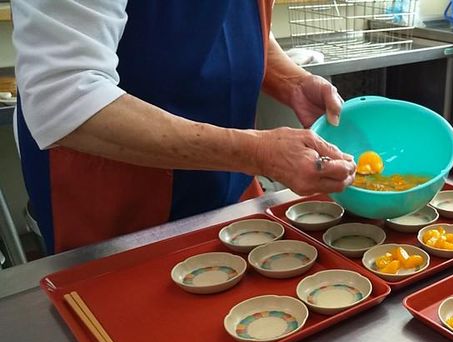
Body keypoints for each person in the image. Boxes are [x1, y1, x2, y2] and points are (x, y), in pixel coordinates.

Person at [13, 0, 356, 254]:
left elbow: (233, 23)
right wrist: (258, 153)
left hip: (228, 189)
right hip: (119, 209)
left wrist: (292, 81)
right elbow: (63, 93)